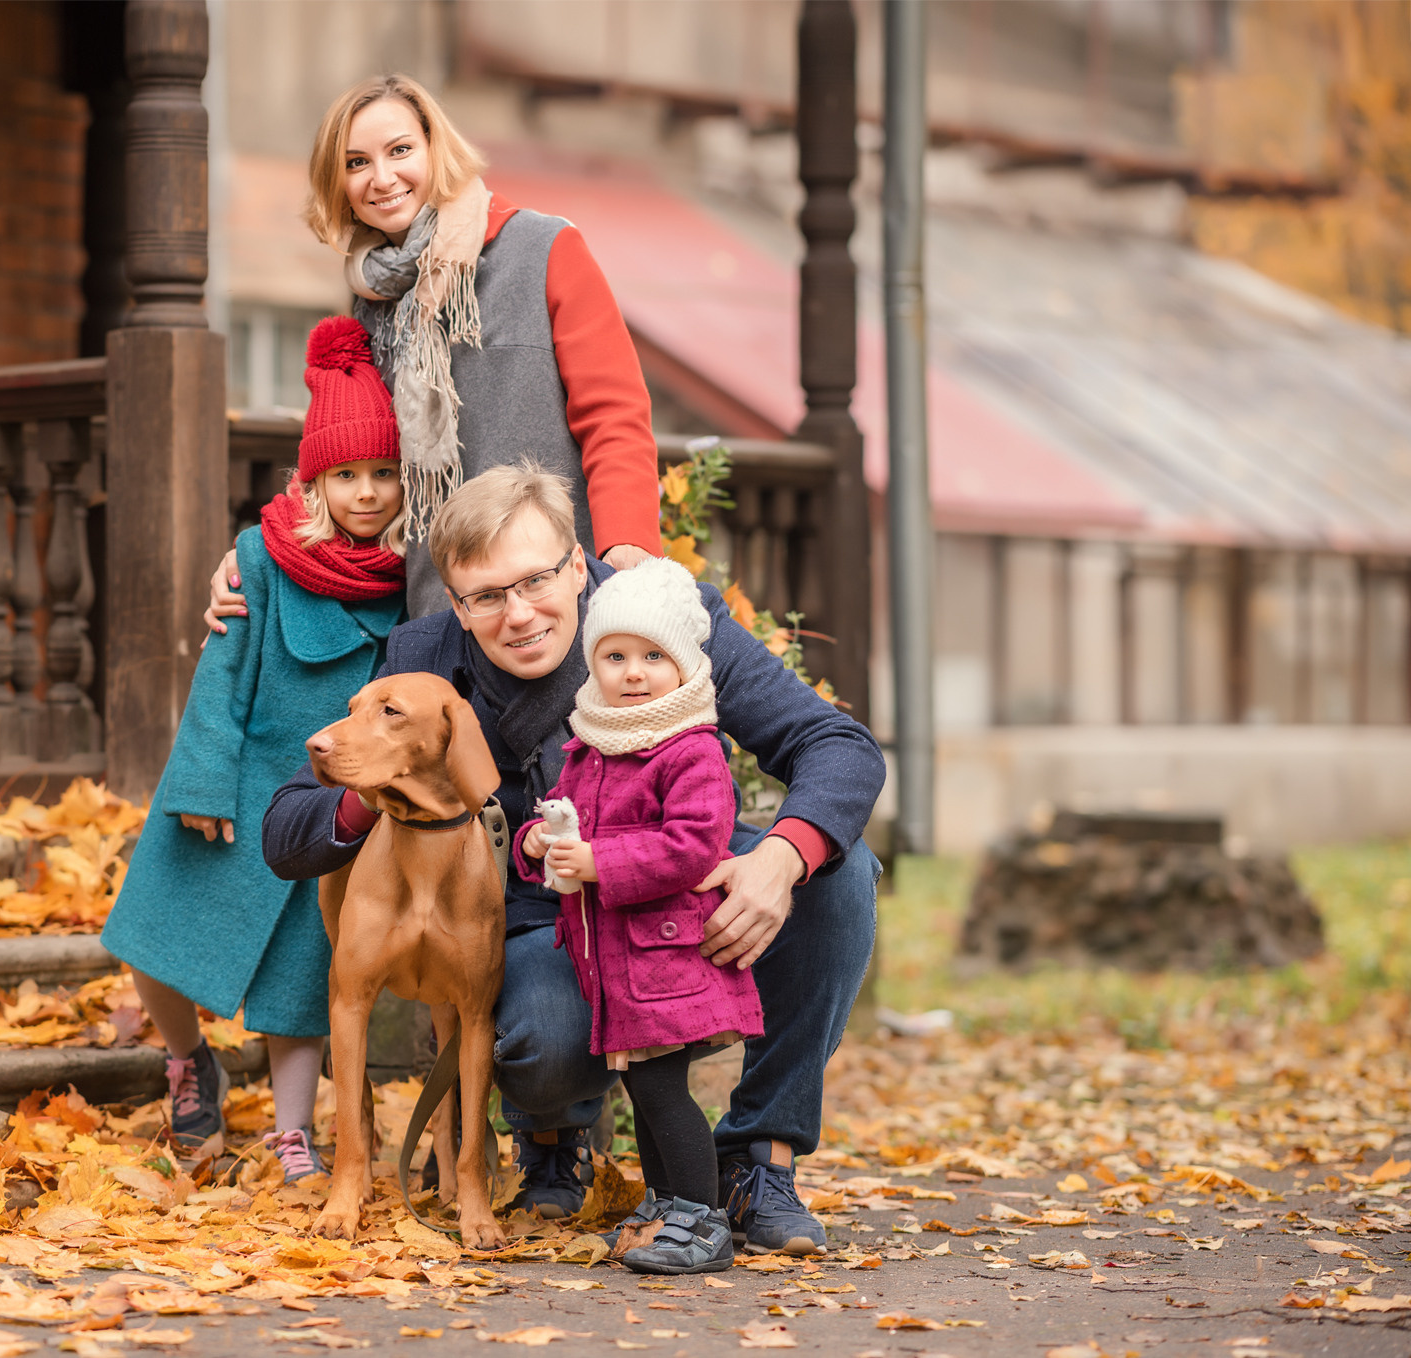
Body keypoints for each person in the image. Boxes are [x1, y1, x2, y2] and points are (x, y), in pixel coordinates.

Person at [262, 464, 885, 1253]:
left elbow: (838, 745)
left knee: (840, 871)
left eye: (537, 581)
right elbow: (288, 833)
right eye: (486, 596)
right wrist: (378, 782)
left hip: (683, 889)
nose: (518, 616)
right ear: (455, 603)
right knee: (535, 1038)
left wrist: (782, 858)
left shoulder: (659, 620)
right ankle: (553, 1137)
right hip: (546, 930)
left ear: (579, 564)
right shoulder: (425, 659)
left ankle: (759, 1157)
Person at [102, 316, 408, 1183]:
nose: (367, 493)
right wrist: (200, 777)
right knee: (154, 935)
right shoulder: (262, 559)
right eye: (347, 475)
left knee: (300, 982)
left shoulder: (408, 579)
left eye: (385, 474)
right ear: (313, 481)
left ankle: (291, 1134)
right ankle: (186, 1059)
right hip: (233, 786)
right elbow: (221, 677)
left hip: (329, 809)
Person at [207, 72, 661, 627]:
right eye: (356, 163)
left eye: (400, 150)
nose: (382, 177)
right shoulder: (369, 299)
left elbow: (614, 415)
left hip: (557, 598)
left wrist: (627, 554)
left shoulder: (545, 248)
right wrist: (254, 558)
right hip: (440, 608)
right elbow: (347, 458)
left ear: (435, 149)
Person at [517, 557, 764, 1273]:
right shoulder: (589, 746)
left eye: (653, 657)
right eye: (616, 655)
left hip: (668, 961)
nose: (632, 672)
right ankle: (665, 1204)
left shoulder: (692, 750)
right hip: (616, 964)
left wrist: (601, 863)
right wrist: (542, 843)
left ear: (684, 667)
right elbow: (563, 825)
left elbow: (692, 846)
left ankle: (703, 1218)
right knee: (643, 1085)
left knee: (660, 1086)